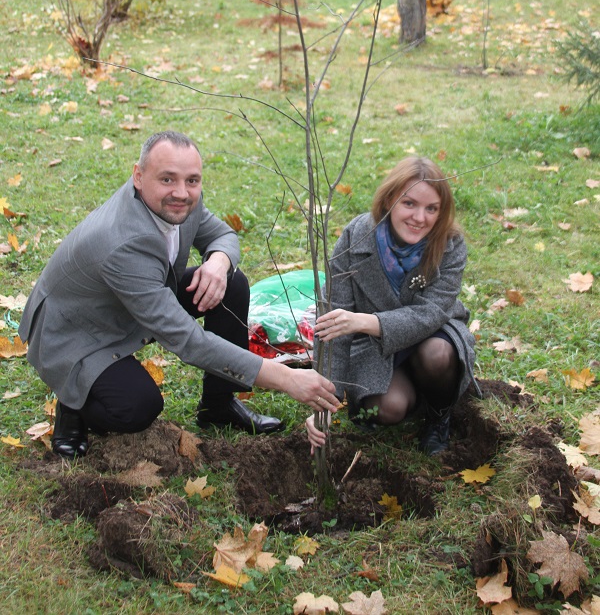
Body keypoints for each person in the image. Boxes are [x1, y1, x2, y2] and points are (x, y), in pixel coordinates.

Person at [18, 131, 338, 459]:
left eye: (192, 180)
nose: (182, 193)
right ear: (138, 176)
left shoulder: (178, 202)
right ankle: (73, 401)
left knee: (232, 282)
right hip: (78, 332)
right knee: (137, 408)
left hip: (132, 302)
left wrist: (218, 262)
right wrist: (285, 378)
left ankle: (218, 405)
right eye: (168, 178)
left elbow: (222, 234)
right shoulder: (122, 243)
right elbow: (187, 341)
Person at [306, 156, 478, 456]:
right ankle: (413, 392)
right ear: (388, 200)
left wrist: (365, 321)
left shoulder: (450, 244)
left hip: (433, 335)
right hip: (375, 348)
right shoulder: (356, 237)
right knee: (387, 409)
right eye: (409, 203)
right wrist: (326, 400)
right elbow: (332, 321)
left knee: (437, 356)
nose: (419, 218)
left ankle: (440, 414)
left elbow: (430, 314)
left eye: (431, 208)